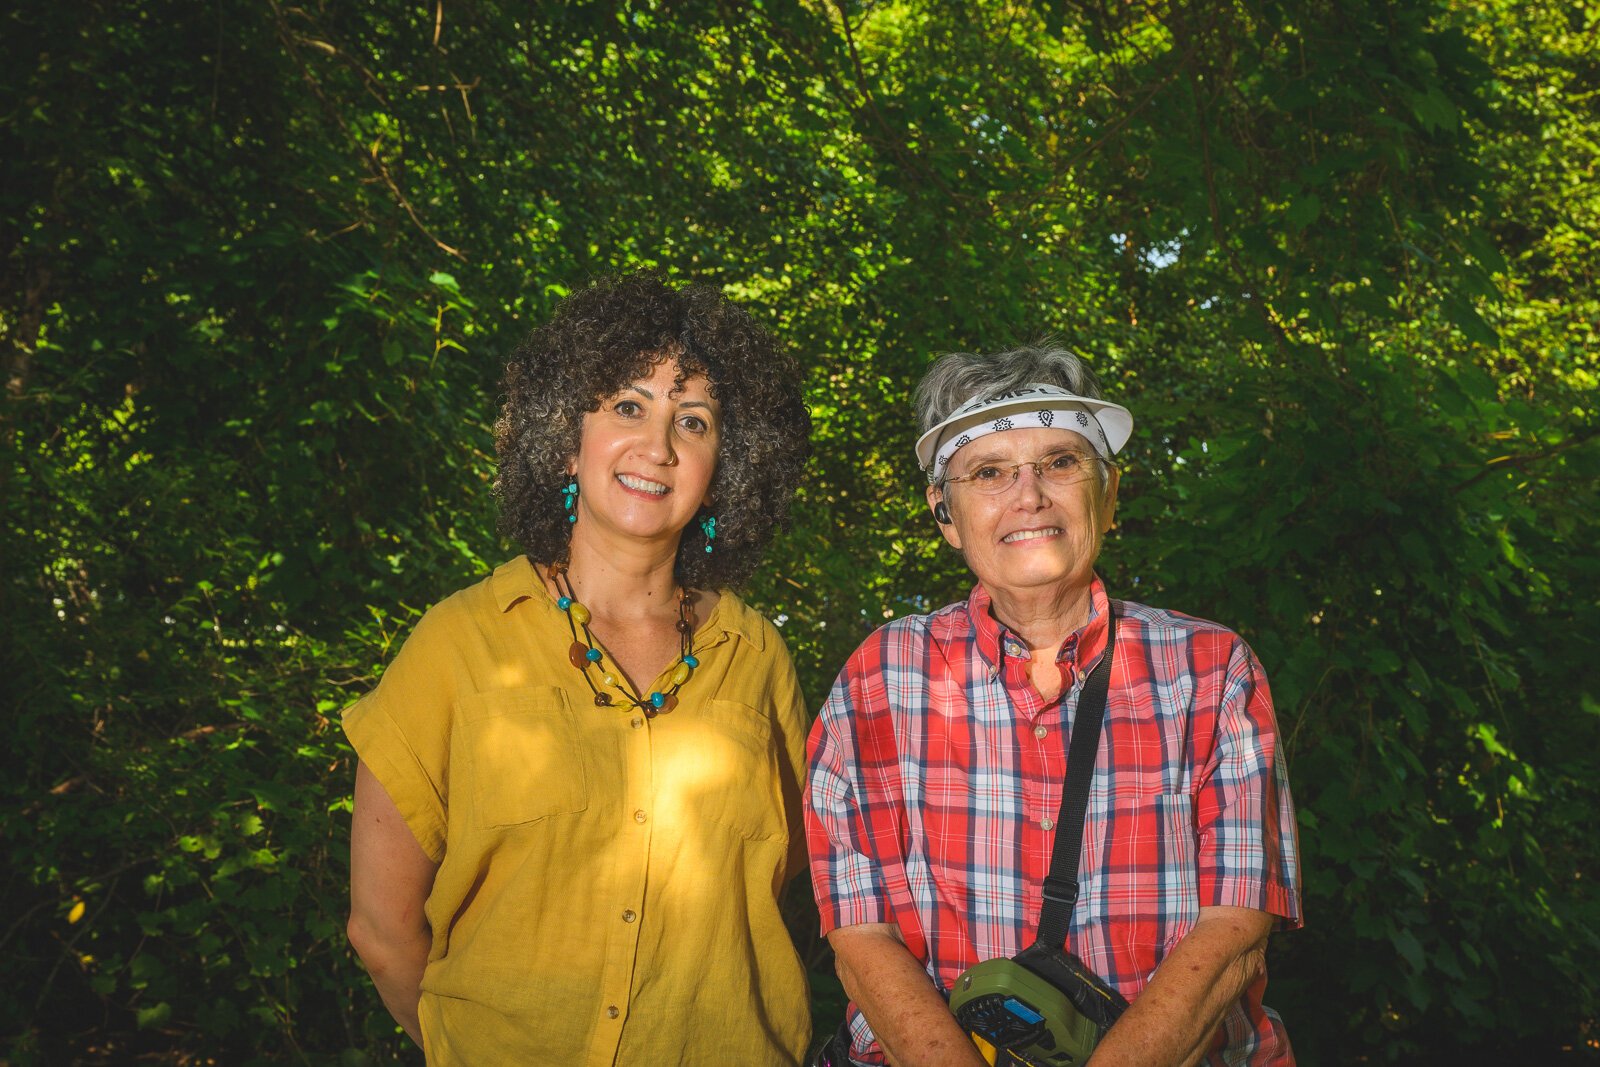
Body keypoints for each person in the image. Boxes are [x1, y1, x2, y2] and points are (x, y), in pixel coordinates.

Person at [343, 272, 814, 1065]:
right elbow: (382, 932)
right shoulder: (457, 641)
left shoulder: (758, 655)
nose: (658, 446)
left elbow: (784, 877)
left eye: (692, 421)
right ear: (567, 437)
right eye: (629, 406)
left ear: (723, 467)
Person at [805, 346, 1301, 1066]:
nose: (1028, 495)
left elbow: (1235, 930)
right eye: (989, 472)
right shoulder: (879, 679)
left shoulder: (1214, 670)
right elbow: (861, 935)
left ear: (1110, 493)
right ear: (946, 515)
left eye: (1060, 462)